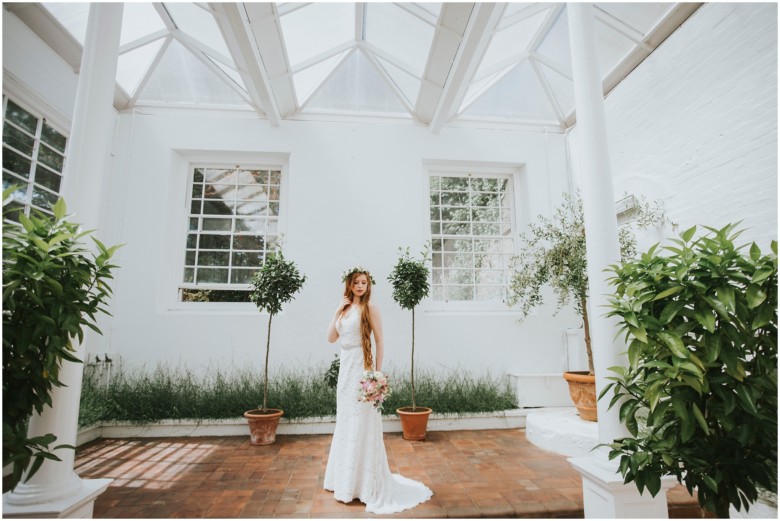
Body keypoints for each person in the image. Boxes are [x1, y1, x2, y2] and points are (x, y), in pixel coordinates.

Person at [323, 266, 432, 514]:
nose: (361, 286)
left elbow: (380, 340)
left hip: (362, 368)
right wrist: (337, 310)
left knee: (362, 423)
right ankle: (344, 480)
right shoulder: (345, 308)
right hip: (346, 369)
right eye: (357, 282)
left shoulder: (370, 307)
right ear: (349, 285)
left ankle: (364, 484)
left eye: (364, 282)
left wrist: (376, 374)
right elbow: (331, 338)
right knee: (347, 422)